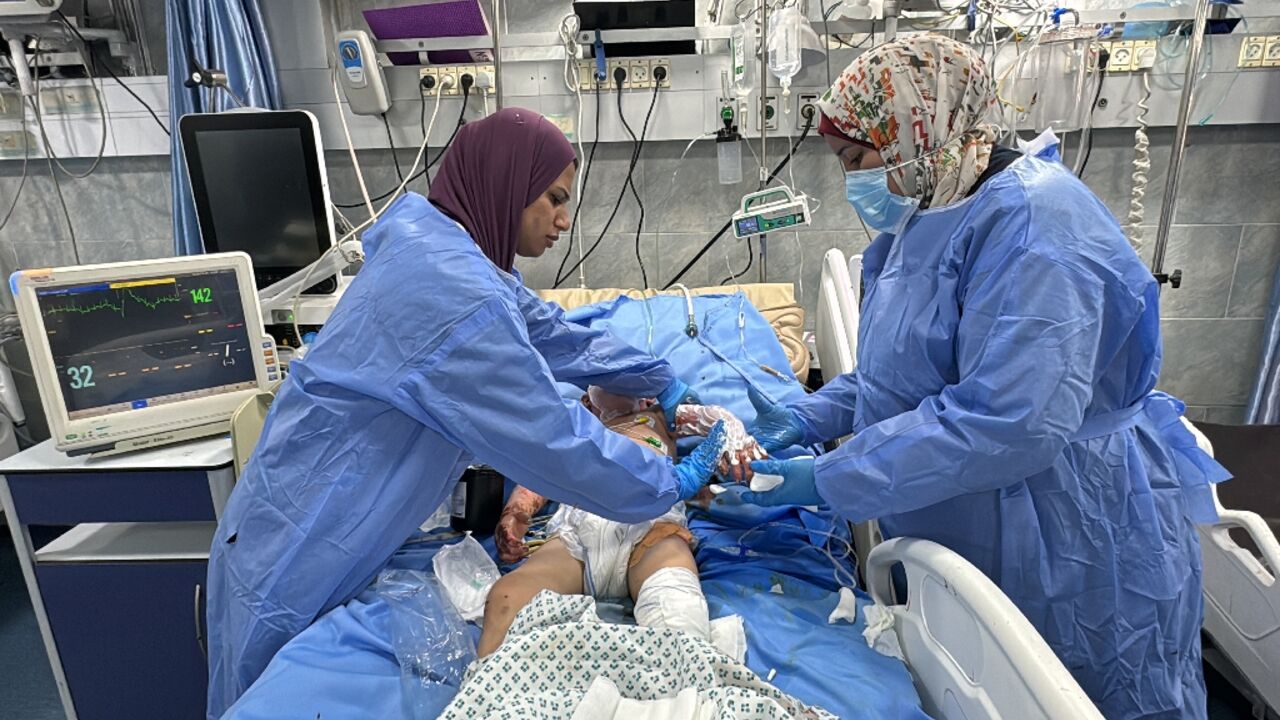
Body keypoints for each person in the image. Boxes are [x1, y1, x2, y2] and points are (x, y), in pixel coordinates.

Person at [743, 35, 1229, 720]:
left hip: (1069, 527)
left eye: (857, 159)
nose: (852, 181)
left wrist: (829, 478)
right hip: (969, 518)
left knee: (1077, 692)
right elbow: (901, 374)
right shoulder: (922, 218)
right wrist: (811, 416)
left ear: (919, 124)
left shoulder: (1036, 221)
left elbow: (1011, 419)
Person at [204, 108, 725, 718]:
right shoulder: (456, 296)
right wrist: (667, 481)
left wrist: (659, 379)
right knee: (266, 685)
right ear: (506, 181)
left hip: (317, 517)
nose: (564, 219)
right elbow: (552, 439)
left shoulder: (456, 257)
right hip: (298, 540)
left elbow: (560, 337)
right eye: (554, 198)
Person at [480, 387, 761, 656]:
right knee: (507, 598)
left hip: (651, 526)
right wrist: (516, 513)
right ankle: (488, 689)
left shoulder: (661, 416)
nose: (629, 386)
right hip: (577, 532)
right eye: (610, 380)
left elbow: (719, 420)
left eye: (637, 383)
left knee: (678, 608)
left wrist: (736, 438)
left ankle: (684, 690)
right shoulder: (578, 422)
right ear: (588, 400)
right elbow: (545, 472)